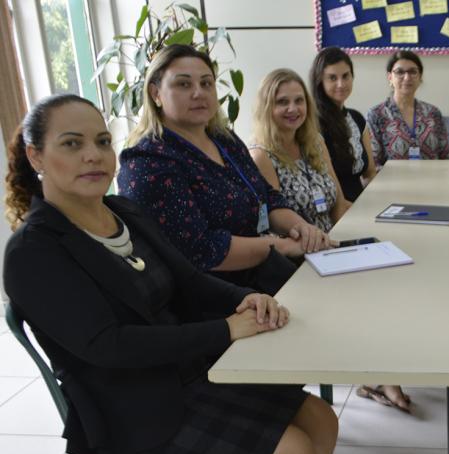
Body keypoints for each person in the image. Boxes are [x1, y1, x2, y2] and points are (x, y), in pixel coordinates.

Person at [3, 93, 352, 454]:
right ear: (36, 156)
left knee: (322, 420)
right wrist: (225, 329)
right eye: (72, 143)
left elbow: (190, 281)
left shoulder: (124, 213)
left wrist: (246, 298)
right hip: (130, 419)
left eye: (102, 141)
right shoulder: (34, 251)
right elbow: (110, 346)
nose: (93, 155)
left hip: (186, 378)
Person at [118, 45, 334, 296]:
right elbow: (203, 249)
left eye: (206, 83)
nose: (199, 93)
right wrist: (282, 246)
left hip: (264, 275)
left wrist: (302, 228)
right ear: (155, 93)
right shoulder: (147, 162)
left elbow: (267, 196)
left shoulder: (224, 140)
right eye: (184, 84)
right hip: (216, 298)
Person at [250, 68, 352, 233]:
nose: (293, 109)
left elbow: (339, 203)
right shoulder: (261, 156)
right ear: (267, 107)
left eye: (299, 101)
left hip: (332, 241)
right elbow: (275, 218)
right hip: (296, 246)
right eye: (282, 102)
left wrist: (345, 240)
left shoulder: (316, 142)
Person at [309, 47, 377, 203]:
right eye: (332, 78)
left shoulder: (357, 118)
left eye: (346, 76)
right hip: (331, 207)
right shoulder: (311, 122)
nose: (341, 84)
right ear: (320, 81)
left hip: (360, 203)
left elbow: (370, 173)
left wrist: (375, 201)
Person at [367, 50, 449, 168]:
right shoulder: (377, 114)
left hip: (432, 177)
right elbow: (373, 164)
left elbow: (446, 158)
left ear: (420, 77)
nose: (407, 78)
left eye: (413, 72)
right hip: (392, 179)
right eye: (400, 72)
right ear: (390, 77)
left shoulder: (433, 113)